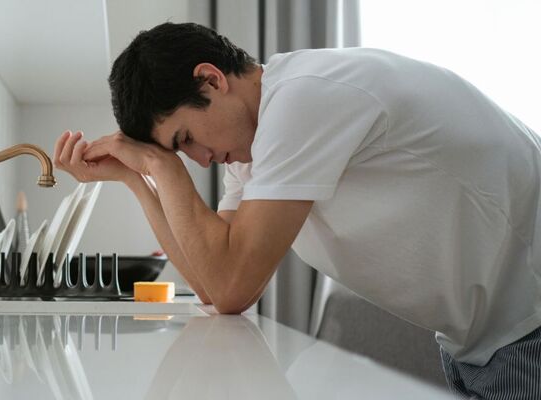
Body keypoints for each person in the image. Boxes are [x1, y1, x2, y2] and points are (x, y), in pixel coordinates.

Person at [53, 22, 541, 399]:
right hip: (483, 343)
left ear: (211, 79)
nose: (199, 159)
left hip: (528, 330)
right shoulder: (256, 148)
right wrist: (137, 179)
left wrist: (161, 167)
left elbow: (230, 283)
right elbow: (211, 285)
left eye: (185, 139)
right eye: (180, 153)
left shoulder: (303, 99)